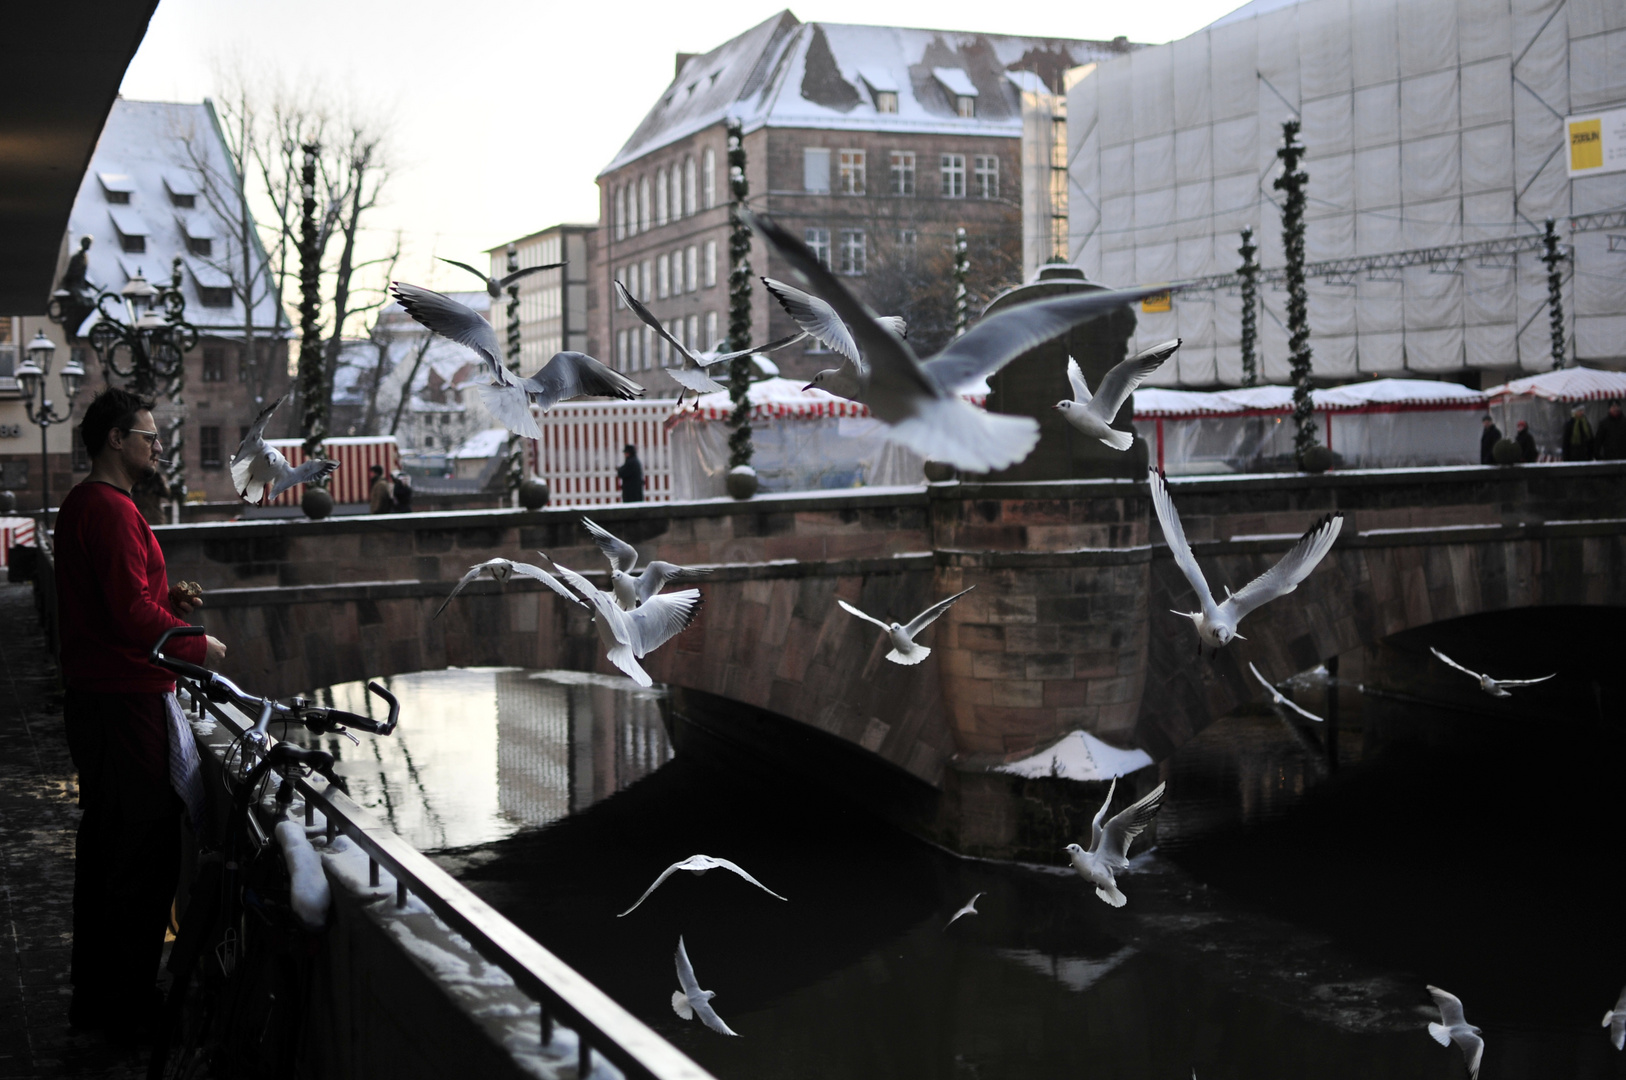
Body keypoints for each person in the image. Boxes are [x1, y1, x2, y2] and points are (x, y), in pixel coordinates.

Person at [54, 388, 226, 1038]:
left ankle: (97, 998)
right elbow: (128, 617)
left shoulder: (83, 505)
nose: (157, 445)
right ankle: (127, 1007)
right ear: (114, 441)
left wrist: (166, 596)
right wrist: (196, 644)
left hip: (97, 703)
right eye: (148, 435)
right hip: (125, 706)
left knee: (106, 853)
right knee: (140, 858)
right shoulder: (113, 510)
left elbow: (118, 599)